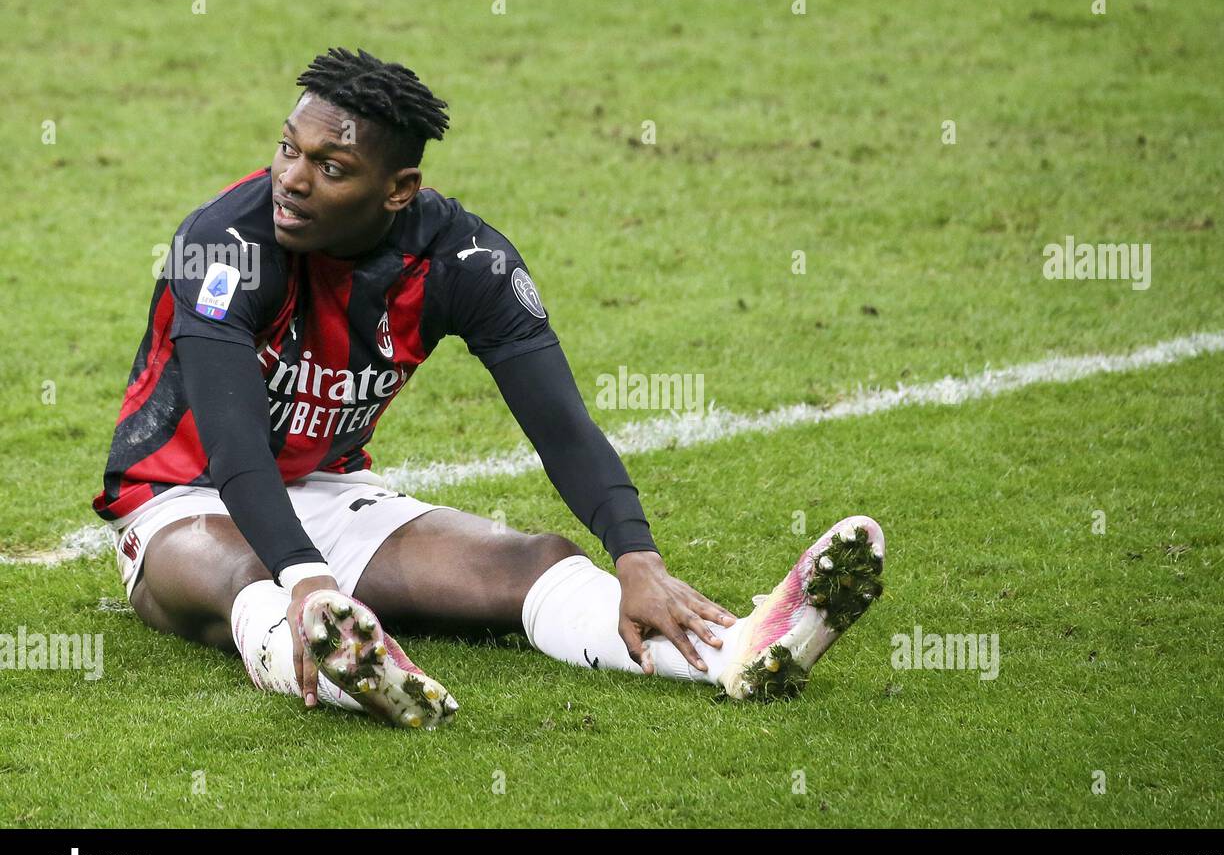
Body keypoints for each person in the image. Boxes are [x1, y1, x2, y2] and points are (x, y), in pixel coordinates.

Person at [92, 48, 885, 729]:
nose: (291, 181)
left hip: (328, 489)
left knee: (536, 561)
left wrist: (636, 552)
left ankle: (736, 656)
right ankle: (338, 663)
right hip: (180, 499)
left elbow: (562, 426)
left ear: (399, 189)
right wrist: (305, 576)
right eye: (288, 149)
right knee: (249, 576)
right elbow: (232, 451)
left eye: (331, 168)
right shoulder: (224, 246)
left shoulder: (466, 264)